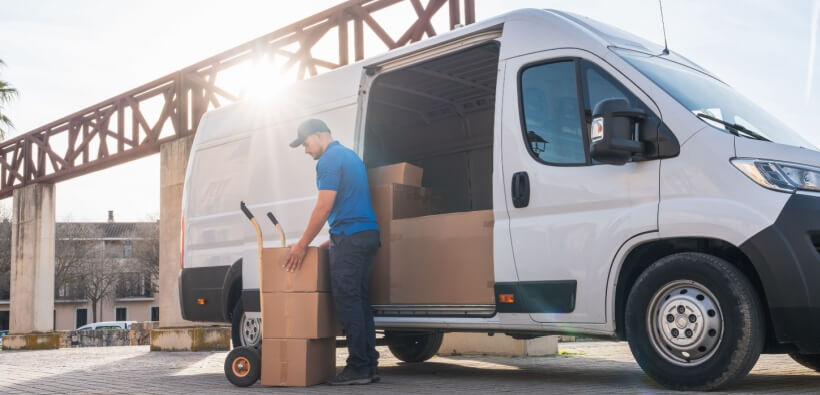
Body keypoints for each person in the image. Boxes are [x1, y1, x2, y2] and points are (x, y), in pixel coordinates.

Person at [285, 118, 381, 385]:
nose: (306, 150)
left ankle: (359, 367)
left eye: (306, 144)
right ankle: (369, 365)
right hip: (366, 235)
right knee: (360, 302)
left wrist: (301, 246)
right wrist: (330, 241)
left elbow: (324, 207)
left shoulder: (327, 161)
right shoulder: (350, 156)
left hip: (351, 239)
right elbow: (350, 207)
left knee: (348, 302)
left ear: (318, 136)